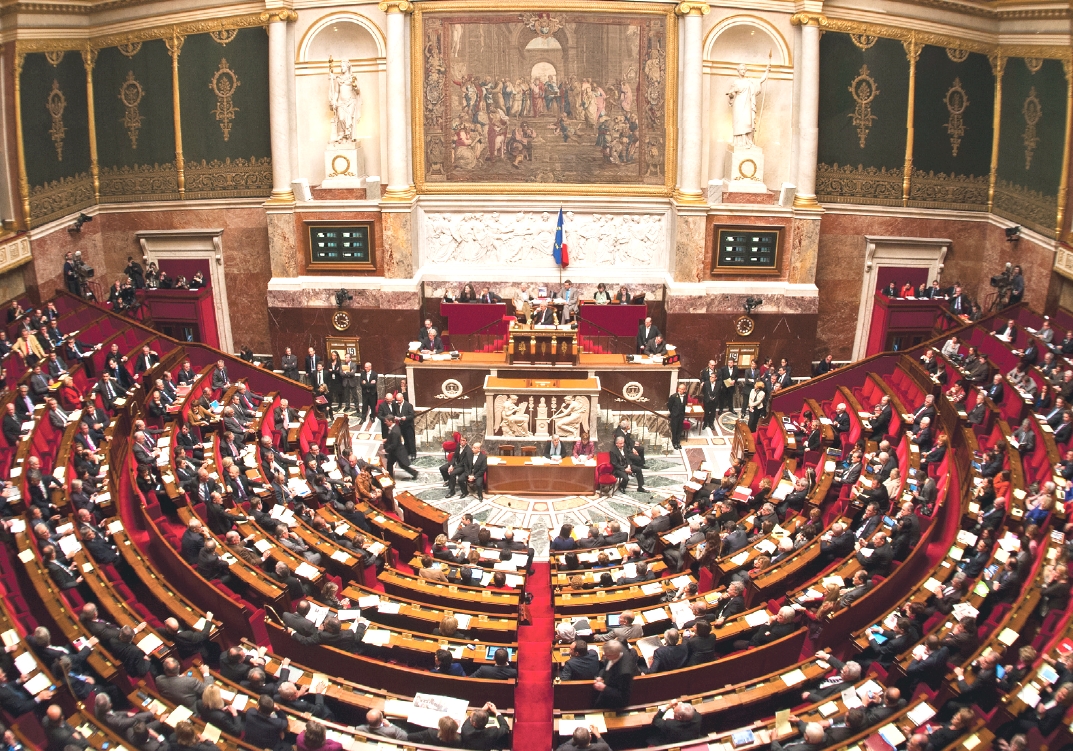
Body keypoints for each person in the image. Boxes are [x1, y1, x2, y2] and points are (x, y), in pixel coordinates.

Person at [593, 640, 635, 708]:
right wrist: (601, 676)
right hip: (607, 687)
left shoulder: (625, 672)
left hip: (614, 703)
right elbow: (607, 666)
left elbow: (622, 695)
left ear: (615, 654)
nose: (605, 656)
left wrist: (604, 688)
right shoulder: (618, 648)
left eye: (607, 655)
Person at [667, 382, 687, 450]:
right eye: (679, 389)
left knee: (679, 429)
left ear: (684, 390)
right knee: (674, 429)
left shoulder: (685, 396)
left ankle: (678, 442)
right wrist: (673, 413)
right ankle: (674, 442)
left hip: (681, 416)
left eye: (682, 389)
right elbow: (669, 405)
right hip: (675, 416)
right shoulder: (673, 396)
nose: (680, 390)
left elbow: (684, 404)